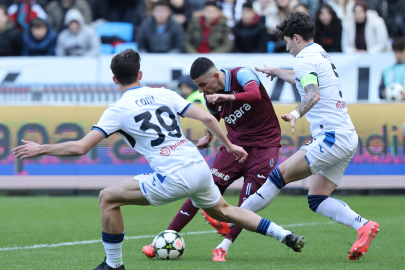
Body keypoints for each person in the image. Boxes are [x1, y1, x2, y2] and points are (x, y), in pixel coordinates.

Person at [13, 49, 306, 270]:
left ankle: (113, 265)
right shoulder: (164, 94)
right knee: (225, 210)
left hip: (172, 176)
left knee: (108, 198)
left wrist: (42, 149)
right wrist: (228, 143)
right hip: (197, 167)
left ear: (115, 80)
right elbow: (206, 116)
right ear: (140, 75)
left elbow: (79, 147)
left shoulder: (117, 109)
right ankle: (285, 235)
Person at [209, 11, 380, 261]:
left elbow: (313, 94)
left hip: (330, 137)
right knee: (317, 199)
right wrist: (278, 72)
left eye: (287, 41)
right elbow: (303, 79)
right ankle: (363, 225)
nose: (286, 47)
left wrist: (295, 113)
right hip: (347, 136)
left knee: (278, 177)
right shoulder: (318, 52)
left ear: (296, 38)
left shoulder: (303, 60)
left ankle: (231, 220)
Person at [142, 57, 296, 262]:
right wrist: (209, 136)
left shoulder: (242, 74)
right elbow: (214, 118)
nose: (202, 90)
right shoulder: (210, 96)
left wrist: (228, 98)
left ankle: (223, 247)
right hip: (234, 147)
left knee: (246, 204)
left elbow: (255, 95)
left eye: (203, 85)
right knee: (200, 188)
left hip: (264, 147)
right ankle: (162, 239)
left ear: (216, 76)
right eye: (198, 86)